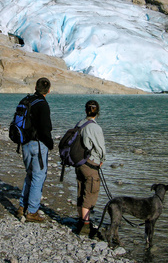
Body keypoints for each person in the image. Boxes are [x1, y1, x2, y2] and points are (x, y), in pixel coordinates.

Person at [16, 77, 53, 222]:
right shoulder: (43, 105)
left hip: (24, 143)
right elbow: (45, 129)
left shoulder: (26, 101)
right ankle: (32, 211)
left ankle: (21, 207)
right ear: (49, 90)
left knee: (29, 174)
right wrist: (50, 144)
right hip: (38, 145)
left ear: (35, 88)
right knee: (38, 176)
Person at [75, 99, 106, 235]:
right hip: (90, 163)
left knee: (81, 190)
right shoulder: (95, 127)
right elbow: (100, 149)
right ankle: (86, 225)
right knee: (91, 192)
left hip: (79, 163)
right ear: (97, 112)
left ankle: (81, 220)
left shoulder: (80, 123)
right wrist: (102, 160)